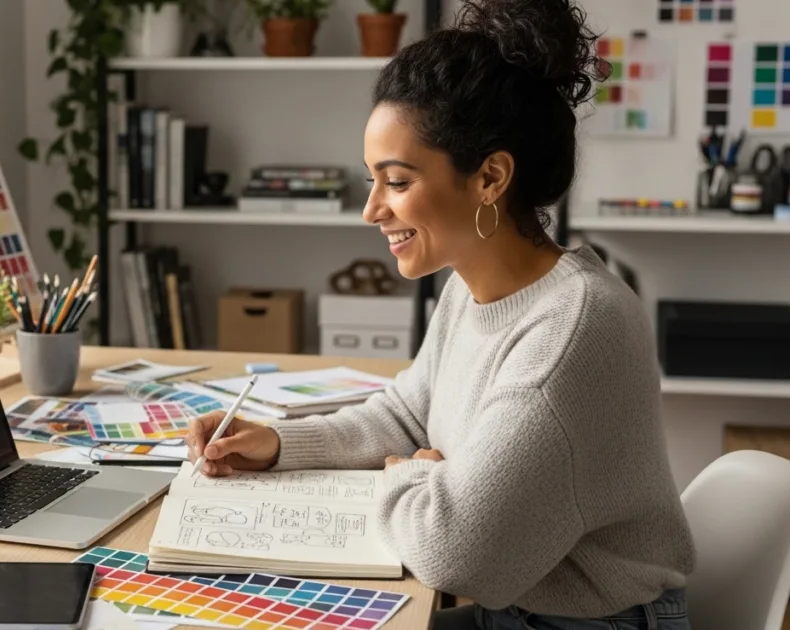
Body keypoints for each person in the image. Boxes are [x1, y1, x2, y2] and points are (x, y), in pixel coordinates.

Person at [186, 1, 695, 628]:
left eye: (396, 182)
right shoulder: (470, 290)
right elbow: (406, 415)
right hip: (518, 611)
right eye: (372, 180)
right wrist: (279, 444)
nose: (371, 210)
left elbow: (460, 556)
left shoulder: (576, 328)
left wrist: (411, 481)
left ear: (490, 178)